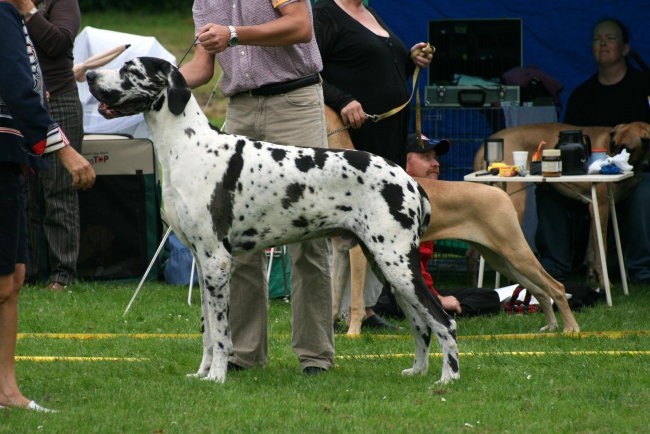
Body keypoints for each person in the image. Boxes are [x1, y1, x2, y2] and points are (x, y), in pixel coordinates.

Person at [180, 0, 333, 375]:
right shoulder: (205, 1)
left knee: (310, 235)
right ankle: (242, 354)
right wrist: (151, 78)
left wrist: (233, 34)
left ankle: (315, 357)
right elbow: (201, 67)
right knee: (233, 240)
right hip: (241, 110)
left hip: (294, 103)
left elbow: (300, 26)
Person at [313, 0, 433, 328]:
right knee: (352, 231)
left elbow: (380, 68)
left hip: (386, 137)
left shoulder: (369, 12)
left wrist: (410, 61)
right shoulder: (324, 13)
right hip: (352, 142)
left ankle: (364, 310)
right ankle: (348, 313)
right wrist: (342, 101)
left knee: (376, 227)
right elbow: (308, 71)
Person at [0, 0, 94, 411]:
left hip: (10, 153)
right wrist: (66, 152)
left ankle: (7, 391)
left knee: (14, 275)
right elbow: (18, 89)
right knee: (3, 280)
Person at [535, 17, 650, 285]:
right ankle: (556, 268)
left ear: (625, 48)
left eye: (610, 38)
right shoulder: (582, 94)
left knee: (644, 192)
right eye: (597, 39)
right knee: (546, 187)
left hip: (638, 174)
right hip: (590, 177)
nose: (603, 43)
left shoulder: (644, 86)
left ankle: (641, 270)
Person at [374, 133, 501, 318]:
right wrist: (436, 298)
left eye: (435, 158)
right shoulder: (396, 200)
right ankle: (439, 309)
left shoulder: (429, 198)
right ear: (404, 164)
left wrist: (436, 296)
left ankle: (441, 309)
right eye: (426, 158)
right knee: (385, 301)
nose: (435, 163)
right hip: (393, 288)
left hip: (419, 287)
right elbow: (409, 265)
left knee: (490, 297)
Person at [16, 0, 84, 291]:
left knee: (58, 189)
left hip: (59, 100)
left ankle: (62, 274)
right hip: (22, 103)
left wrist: (28, 10)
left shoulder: (61, 1)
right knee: (25, 192)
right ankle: (28, 270)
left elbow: (57, 43)